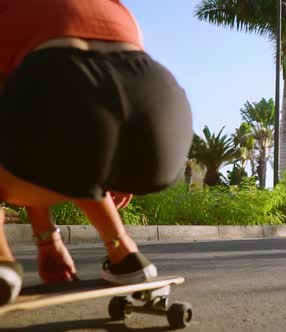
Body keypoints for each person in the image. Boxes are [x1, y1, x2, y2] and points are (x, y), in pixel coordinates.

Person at [0, 0, 193, 305]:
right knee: (77, 138)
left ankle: (2, 264)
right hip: (160, 125)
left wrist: (47, 240)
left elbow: (38, 136)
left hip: (65, 93)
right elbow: (74, 138)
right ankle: (125, 255)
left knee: (62, 122)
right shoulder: (109, 5)